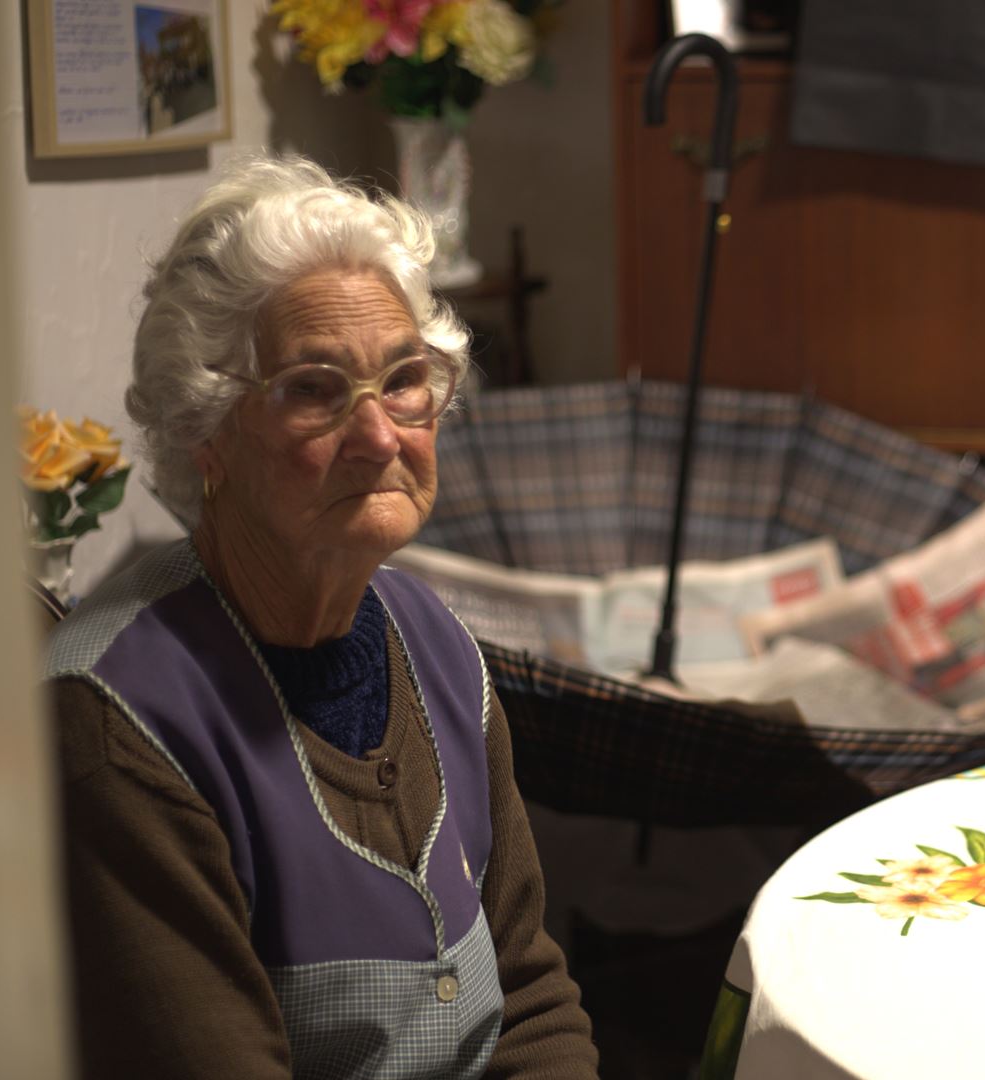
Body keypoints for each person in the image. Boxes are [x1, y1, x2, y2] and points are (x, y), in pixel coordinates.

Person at [45, 154, 599, 1079]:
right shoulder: (119, 727)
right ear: (206, 429)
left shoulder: (436, 643)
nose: (380, 434)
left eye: (404, 378)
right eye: (314, 389)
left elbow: (531, 995)